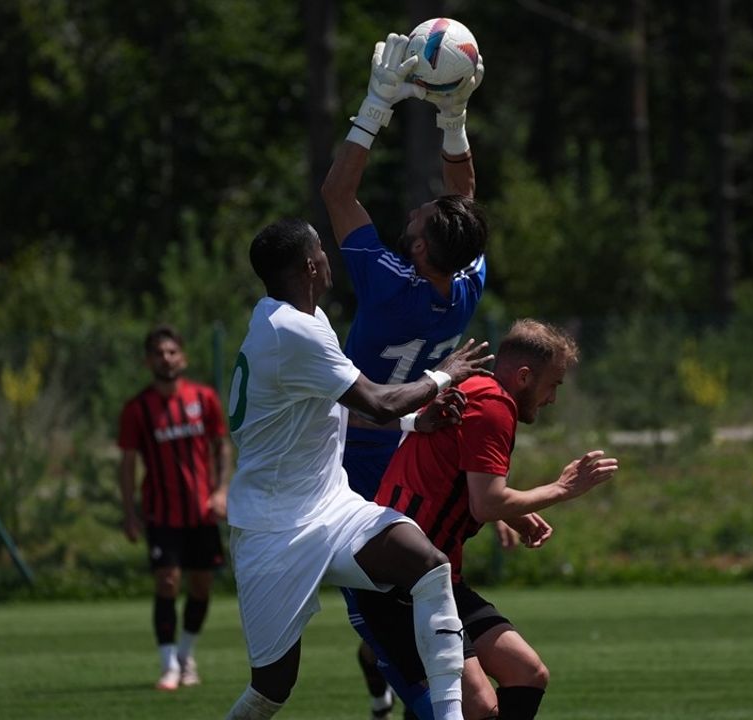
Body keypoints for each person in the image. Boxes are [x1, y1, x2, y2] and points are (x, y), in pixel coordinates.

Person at [219, 218, 493, 720]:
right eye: (322, 250)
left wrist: (415, 422)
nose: (329, 258)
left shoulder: (302, 317)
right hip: (273, 529)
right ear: (309, 265)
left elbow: (343, 407)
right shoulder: (290, 330)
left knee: (427, 564)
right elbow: (377, 400)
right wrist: (443, 375)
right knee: (271, 690)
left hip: (332, 506)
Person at [320, 30, 495, 720]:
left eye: (420, 217)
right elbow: (466, 199)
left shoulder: (391, 285)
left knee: (393, 633)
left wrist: (376, 104)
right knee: (431, 617)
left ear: (419, 247)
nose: (415, 208)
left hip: (352, 463)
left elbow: (338, 192)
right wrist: (453, 118)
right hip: (414, 458)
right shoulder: (465, 288)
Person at [356, 319, 620, 720]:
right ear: (525, 376)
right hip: (400, 579)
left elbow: (463, 479)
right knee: (477, 706)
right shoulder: (495, 405)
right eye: (553, 385)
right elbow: (487, 502)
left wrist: (515, 515)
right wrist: (562, 489)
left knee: (528, 673)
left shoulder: (476, 390)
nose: (552, 399)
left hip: (433, 577)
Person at [118, 325, 232, 690]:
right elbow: (127, 463)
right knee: (167, 582)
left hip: (201, 512)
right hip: (162, 514)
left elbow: (221, 446)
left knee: (201, 586)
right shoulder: (137, 409)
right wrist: (130, 512)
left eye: (171, 352)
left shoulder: (204, 398)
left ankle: (186, 654)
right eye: (158, 353)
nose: (165, 359)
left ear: (182, 357)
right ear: (148, 360)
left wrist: (221, 491)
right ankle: (168, 664)